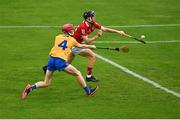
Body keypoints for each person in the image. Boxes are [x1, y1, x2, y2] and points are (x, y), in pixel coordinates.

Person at [43, 10, 127, 82]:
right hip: (76, 45)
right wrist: (97, 36)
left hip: (75, 44)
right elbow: (88, 41)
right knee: (92, 56)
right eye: (93, 16)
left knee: (67, 63)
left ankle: (48, 67)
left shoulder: (93, 23)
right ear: (88, 18)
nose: (95, 17)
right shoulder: (83, 27)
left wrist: (118, 31)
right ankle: (89, 77)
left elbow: (104, 29)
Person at [22, 23, 98, 99]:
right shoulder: (72, 40)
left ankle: (30, 88)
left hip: (51, 60)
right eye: (71, 31)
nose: (73, 32)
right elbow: (81, 46)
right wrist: (91, 46)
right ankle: (89, 92)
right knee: (78, 73)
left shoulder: (57, 37)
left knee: (46, 83)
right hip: (60, 61)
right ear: (68, 32)